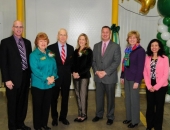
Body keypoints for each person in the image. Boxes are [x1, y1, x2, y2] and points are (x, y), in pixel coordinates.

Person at [0, 20, 32, 130]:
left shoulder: (27, 43)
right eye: (16, 27)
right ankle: (12, 126)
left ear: (23, 29)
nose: (18, 29)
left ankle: (20, 123)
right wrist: (6, 79)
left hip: (25, 77)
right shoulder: (5, 42)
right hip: (12, 80)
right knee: (12, 104)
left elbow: (29, 61)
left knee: (23, 103)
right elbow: (3, 63)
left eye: (20, 27)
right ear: (13, 28)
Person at [92, 26, 121, 125]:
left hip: (109, 77)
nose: (105, 34)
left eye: (107, 32)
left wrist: (105, 72)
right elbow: (93, 61)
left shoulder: (115, 46)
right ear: (101, 33)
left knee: (110, 99)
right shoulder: (96, 46)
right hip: (98, 77)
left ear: (110, 33)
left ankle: (110, 116)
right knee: (99, 97)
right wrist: (96, 71)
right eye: (103, 32)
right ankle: (99, 114)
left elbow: (116, 62)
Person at [29, 32, 58, 130]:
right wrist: (47, 78)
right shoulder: (33, 55)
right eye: (41, 41)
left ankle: (44, 124)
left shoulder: (50, 52)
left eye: (45, 41)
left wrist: (53, 77)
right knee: (38, 107)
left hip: (49, 85)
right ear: (37, 42)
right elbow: (35, 69)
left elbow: (55, 66)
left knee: (46, 106)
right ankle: (37, 127)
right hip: (38, 85)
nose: (43, 43)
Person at [48, 28, 74, 126]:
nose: (62, 37)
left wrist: (74, 72)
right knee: (53, 98)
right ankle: (54, 117)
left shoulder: (71, 48)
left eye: (64, 35)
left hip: (66, 77)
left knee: (65, 98)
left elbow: (72, 63)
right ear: (57, 35)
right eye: (61, 34)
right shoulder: (51, 48)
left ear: (67, 37)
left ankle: (63, 117)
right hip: (54, 77)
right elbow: (50, 63)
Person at [120, 31, 145, 128]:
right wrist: (122, 76)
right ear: (128, 39)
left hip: (134, 79)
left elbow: (140, 67)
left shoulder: (140, 50)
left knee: (134, 100)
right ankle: (129, 118)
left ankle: (135, 121)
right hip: (127, 77)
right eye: (130, 37)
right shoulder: (128, 49)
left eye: (134, 38)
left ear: (137, 39)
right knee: (128, 100)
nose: (132, 39)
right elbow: (124, 64)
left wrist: (137, 81)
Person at [143, 39, 169, 130]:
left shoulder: (165, 58)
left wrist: (156, 87)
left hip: (161, 86)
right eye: (152, 45)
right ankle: (149, 125)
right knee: (150, 107)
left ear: (159, 47)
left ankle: (158, 127)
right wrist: (149, 86)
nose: (154, 47)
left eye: (156, 45)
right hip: (150, 85)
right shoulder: (147, 58)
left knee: (159, 108)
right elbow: (145, 73)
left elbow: (166, 74)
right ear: (150, 47)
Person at [72, 33, 93, 122]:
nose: (81, 41)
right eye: (80, 39)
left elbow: (88, 65)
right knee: (77, 95)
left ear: (86, 41)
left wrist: (79, 73)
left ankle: (84, 114)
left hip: (84, 76)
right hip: (75, 76)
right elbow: (72, 63)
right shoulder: (75, 51)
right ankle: (80, 114)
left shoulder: (89, 51)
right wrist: (73, 72)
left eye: (83, 39)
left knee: (83, 95)